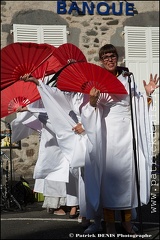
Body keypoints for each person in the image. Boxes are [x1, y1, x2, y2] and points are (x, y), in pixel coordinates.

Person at [80, 44, 159, 234]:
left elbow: (137, 104)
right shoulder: (97, 81)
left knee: (126, 179)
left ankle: (126, 222)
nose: (109, 59)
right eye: (105, 56)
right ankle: (108, 223)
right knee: (108, 180)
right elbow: (88, 111)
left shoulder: (127, 79)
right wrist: (92, 102)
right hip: (107, 134)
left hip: (127, 134)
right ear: (101, 60)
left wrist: (147, 94)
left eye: (112, 55)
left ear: (117, 58)